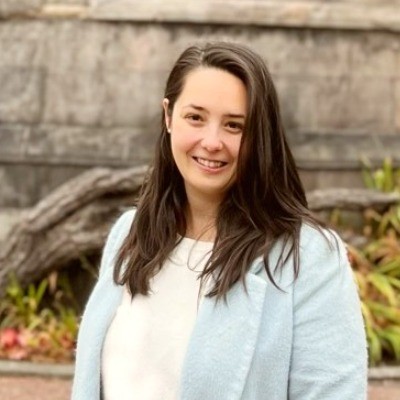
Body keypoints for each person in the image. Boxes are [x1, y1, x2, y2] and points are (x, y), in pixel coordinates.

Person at [71, 42, 368, 400]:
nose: (212, 142)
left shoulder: (308, 258)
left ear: (260, 135)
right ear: (168, 116)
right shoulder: (129, 234)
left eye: (234, 125)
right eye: (195, 117)